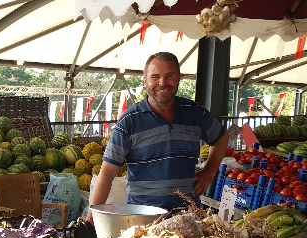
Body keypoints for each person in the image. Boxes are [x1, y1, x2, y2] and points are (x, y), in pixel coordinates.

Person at [87, 52, 230, 222]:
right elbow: (106, 174)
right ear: (145, 80)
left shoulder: (195, 113)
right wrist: (90, 222)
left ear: (179, 78)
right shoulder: (129, 121)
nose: (162, 83)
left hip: (188, 218)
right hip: (144, 221)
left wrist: (210, 171)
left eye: (169, 76)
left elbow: (222, 137)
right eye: (155, 77)